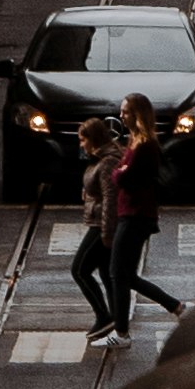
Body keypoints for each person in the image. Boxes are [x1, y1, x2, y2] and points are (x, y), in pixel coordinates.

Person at [102, 93, 185, 342]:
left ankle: (121, 332)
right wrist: (121, 172)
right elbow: (122, 174)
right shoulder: (136, 142)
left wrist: (119, 173)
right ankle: (175, 307)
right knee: (127, 275)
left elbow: (122, 178)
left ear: (137, 115)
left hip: (135, 216)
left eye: (125, 111)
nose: (121, 115)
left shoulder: (145, 145)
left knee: (118, 273)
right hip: (132, 214)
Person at [67, 109, 120, 337]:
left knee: (79, 270)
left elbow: (110, 198)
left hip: (101, 225)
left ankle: (104, 316)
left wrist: (107, 233)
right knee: (107, 274)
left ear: (94, 139)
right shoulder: (99, 158)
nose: (81, 145)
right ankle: (118, 321)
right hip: (99, 221)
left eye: (83, 139)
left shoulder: (107, 161)